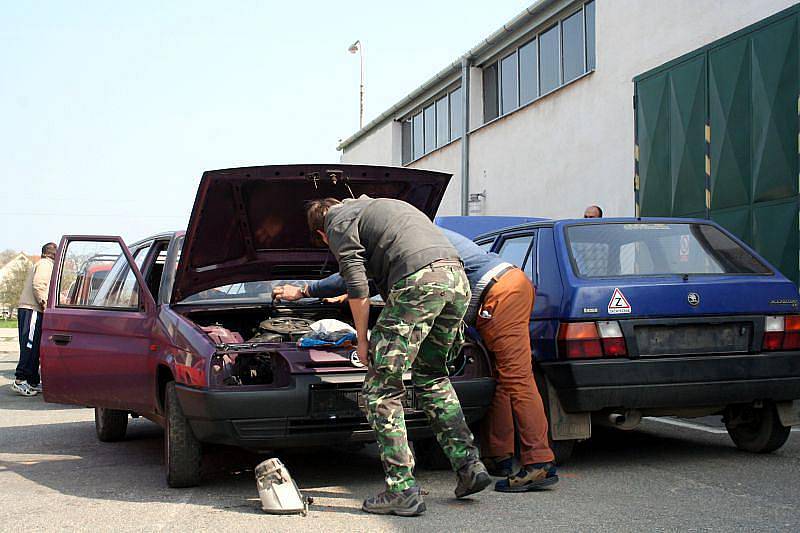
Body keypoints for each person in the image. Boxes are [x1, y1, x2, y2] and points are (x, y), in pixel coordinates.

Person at [275, 227, 558, 493]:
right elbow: (374, 279)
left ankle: (539, 464)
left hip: (498, 293)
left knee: (517, 377)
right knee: (504, 377)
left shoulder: (387, 239)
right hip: (506, 284)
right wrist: (349, 294)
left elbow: (355, 275)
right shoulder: (415, 234)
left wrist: (304, 291)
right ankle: (498, 456)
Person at [299, 196, 489, 517]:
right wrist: (309, 290)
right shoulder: (378, 207)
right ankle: (468, 465)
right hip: (456, 281)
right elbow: (360, 276)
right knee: (432, 378)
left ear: (321, 235)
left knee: (379, 392)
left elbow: (356, 285)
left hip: (418, 284)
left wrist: (362, 340)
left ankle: (401, 489)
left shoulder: (337, 221)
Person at [12, 242, 56, 397]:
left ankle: (31, 380)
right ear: (52, 253)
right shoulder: (45, 264)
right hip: (32, 309)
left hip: (33, 309)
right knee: (29, 346)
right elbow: (39, 285)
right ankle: (20, 379)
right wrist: (46, 306)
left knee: (35, 346)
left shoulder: (43, 264)